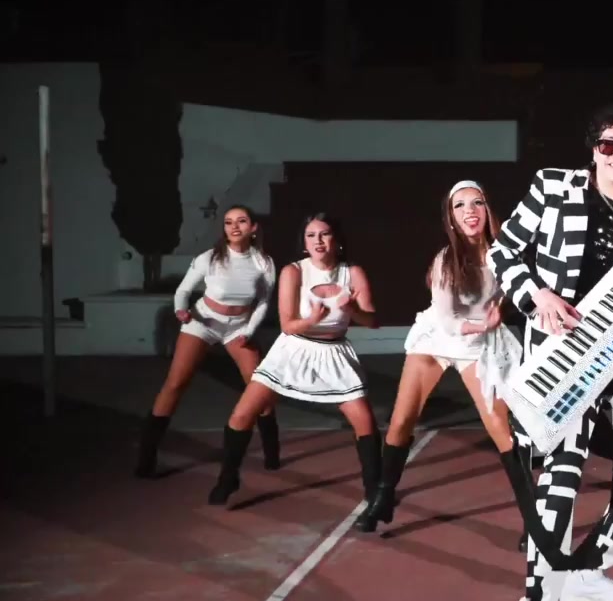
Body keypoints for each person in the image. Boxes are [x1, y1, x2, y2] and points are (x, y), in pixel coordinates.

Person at [489, 102, 613, 601]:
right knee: (562, 475)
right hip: (564, 357)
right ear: (594, 149)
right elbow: (502, 254)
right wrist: (537, 295)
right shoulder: (554, 186)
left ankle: (587, 569)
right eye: (608, 144)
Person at [355, 180, 523, 534]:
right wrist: (485, 323)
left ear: (487, 209)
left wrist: (501, 310)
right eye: (460, 206)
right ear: (451, 217)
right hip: (438, 338)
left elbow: (514, 289)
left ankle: (533, 520)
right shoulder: (446, 259)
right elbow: (448, 323)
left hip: (477, 344)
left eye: (476, 203)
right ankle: (382, 498)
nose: (469, 211)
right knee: (402, 420)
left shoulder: (505, 253)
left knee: (500, 429)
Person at [206, 213, 382, 508]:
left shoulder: (352, 273)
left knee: (364, 421)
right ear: (304, 242)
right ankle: (228, 478)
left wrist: (352, 309)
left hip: (334, 353)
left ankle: (374, 489)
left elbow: (373, 321)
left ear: (337, 240)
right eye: (311, 235)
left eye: (324, 234)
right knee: (242, 415)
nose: (318, 241)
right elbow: (287, 325)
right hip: (293, 349)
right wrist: (312, 319)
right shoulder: (294, 271)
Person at [135, 204, 278, 479]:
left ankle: (272, 453)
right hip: (202, 322)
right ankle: (147, 456)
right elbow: (183, 291)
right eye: (228, 222)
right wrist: (180, 310)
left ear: (253, 228)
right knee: (176, 383)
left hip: (239, 328)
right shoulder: (210, 258)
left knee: (259, 388)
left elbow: (263, 302)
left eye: (241, 221)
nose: (234, 226)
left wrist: (249, 330)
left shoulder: (264, 262)